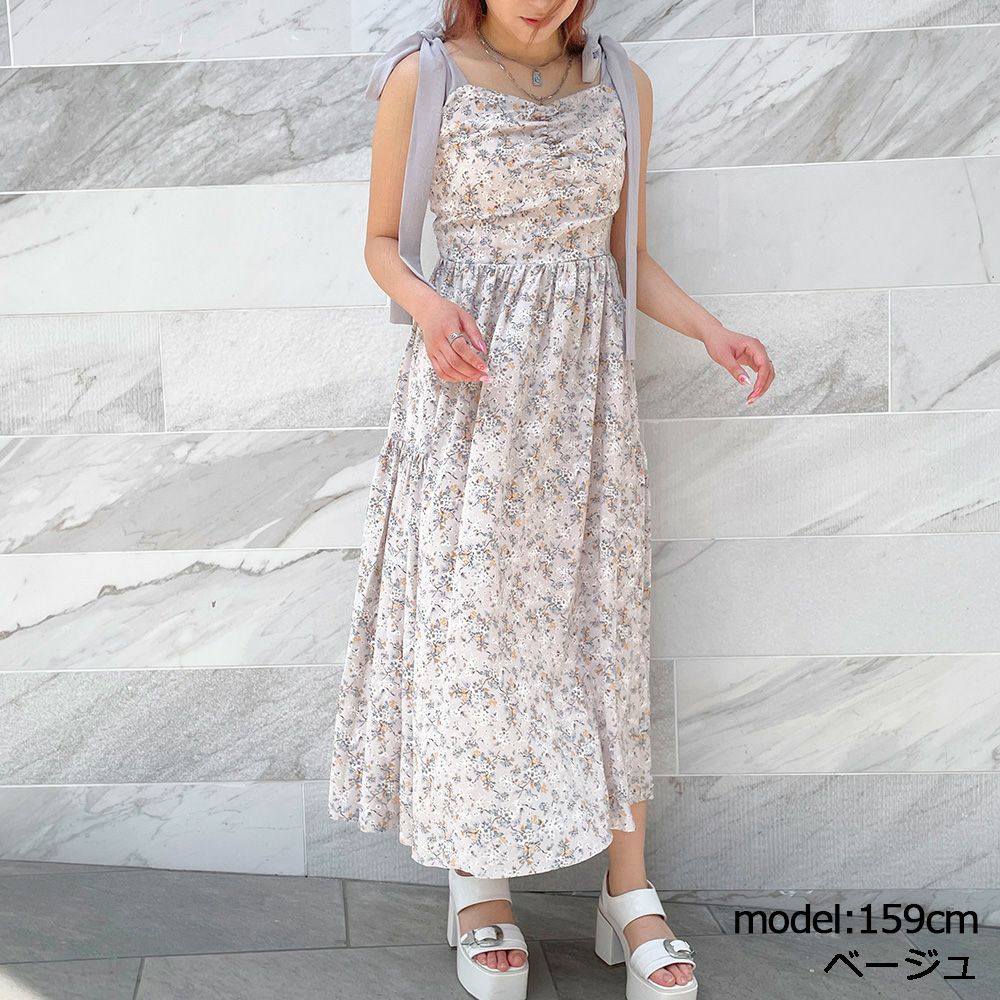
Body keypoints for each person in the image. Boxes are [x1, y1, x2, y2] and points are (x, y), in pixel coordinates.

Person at [328, 3, 775, 998]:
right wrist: (429, 306)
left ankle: (627, 891)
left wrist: (710, 331)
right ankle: (477, 886)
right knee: (475, 636)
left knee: (602, 629)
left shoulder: (621, 84)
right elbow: (383, 242)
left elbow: (623, 253)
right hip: (472, 392)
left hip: (586, 401)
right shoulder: (425, 75)